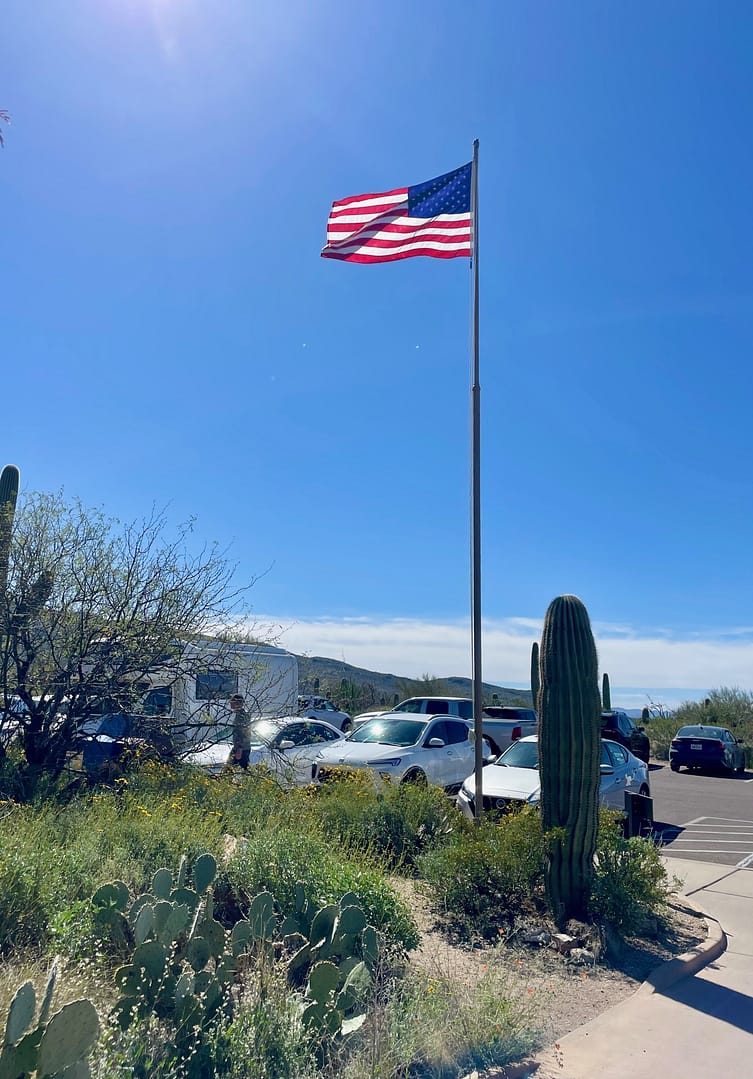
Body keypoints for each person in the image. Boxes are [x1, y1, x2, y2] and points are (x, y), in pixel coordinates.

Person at [229, 693, 250, 769]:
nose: (231, 704)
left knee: (240, 768)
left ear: (238, 703)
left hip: (242, 748)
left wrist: (239, 748)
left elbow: (243, 732)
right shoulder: (238, 714)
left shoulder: (242, 715)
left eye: (232, 702)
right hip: (237, 747)